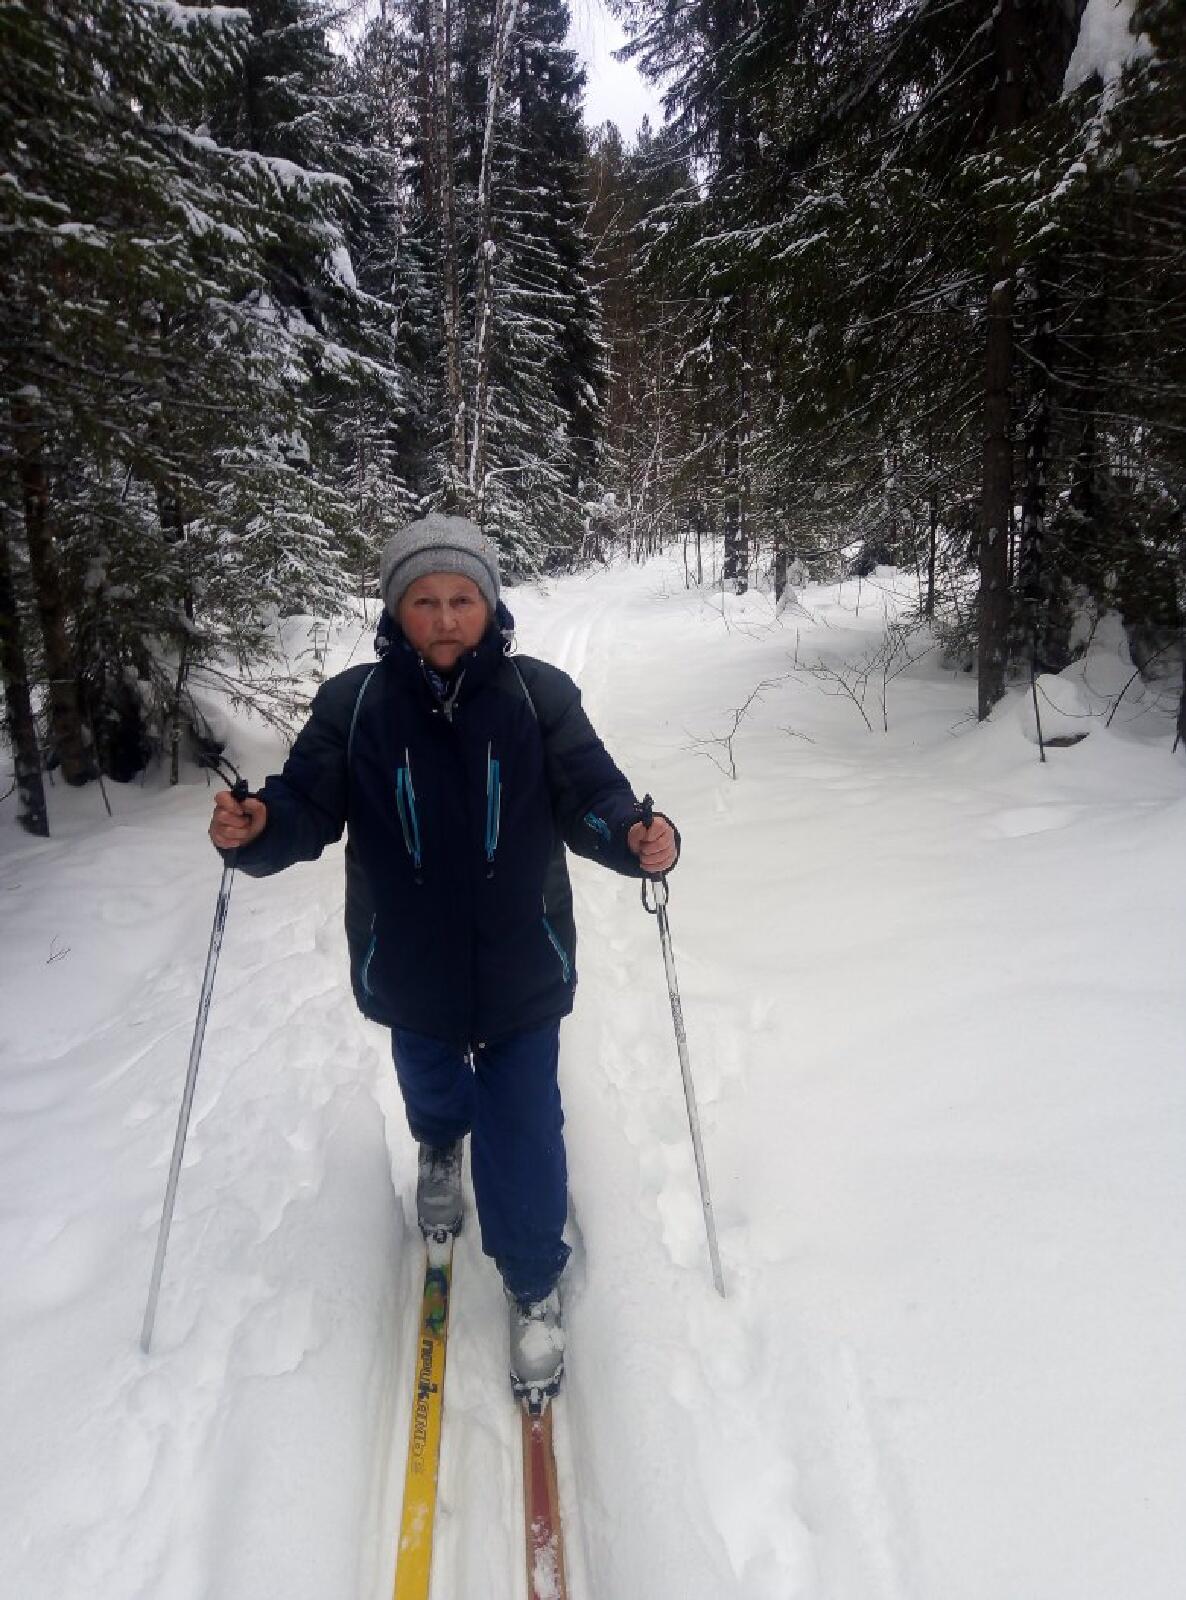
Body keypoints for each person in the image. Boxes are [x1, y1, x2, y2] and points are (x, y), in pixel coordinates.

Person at [208, 513, 678, 1403]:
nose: (446, 617)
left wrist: (633, 834)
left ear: (491, 606)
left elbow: (593, 793)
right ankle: (436, 1145)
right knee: (427, 1079)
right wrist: (259, 826)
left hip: (522, 961)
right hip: (408, 961)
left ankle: (532, 1281)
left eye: (463, 598)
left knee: (525, 1125)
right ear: (396, 610)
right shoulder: (354, 705)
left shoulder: (539, 696)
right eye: (424, 600)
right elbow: (304, 804)